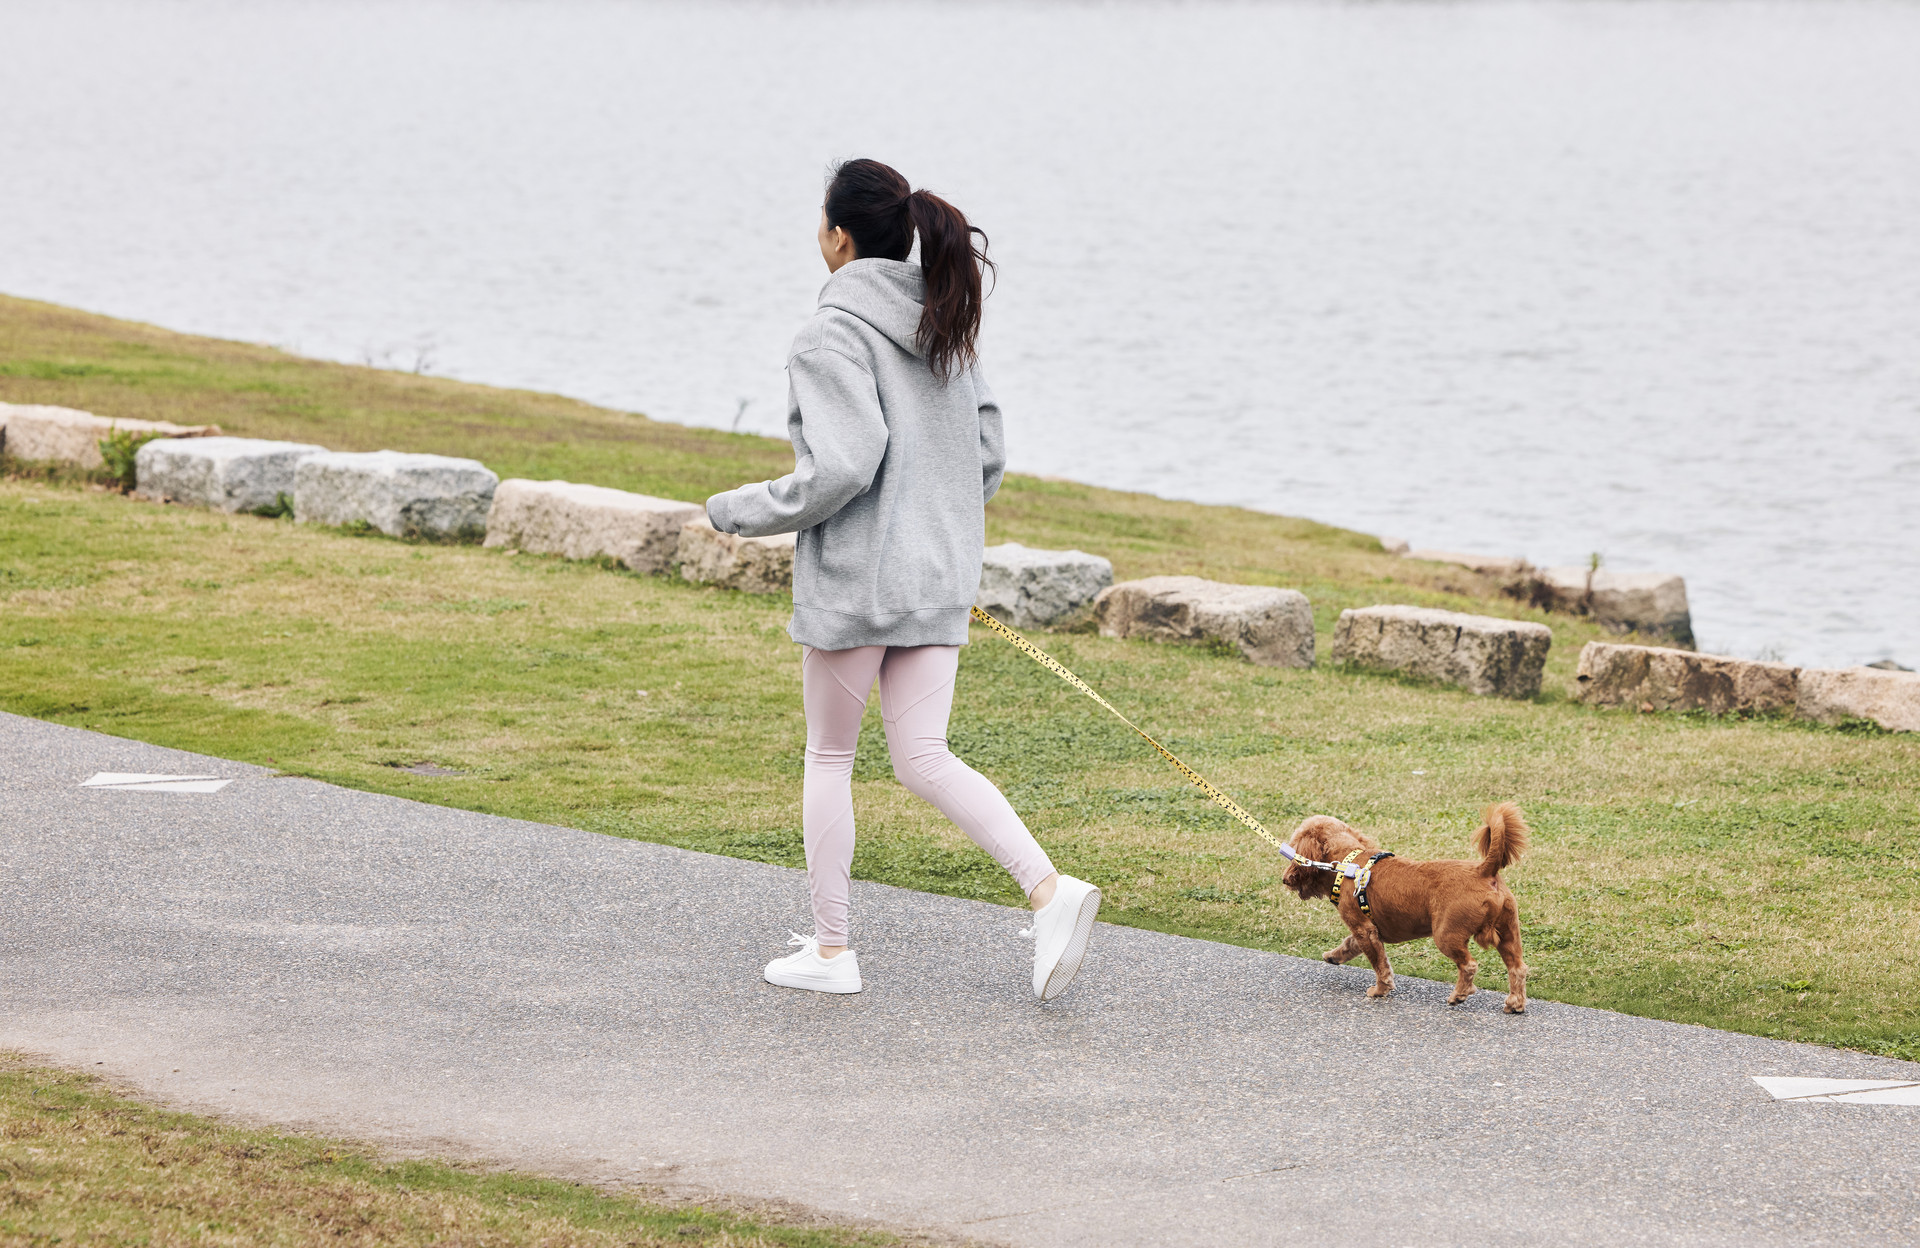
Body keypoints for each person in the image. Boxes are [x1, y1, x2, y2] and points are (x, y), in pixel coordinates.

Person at [704, 158, 1102, 1001]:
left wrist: (737, 509)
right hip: (936, 577)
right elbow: (987, 454)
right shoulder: (942, 319)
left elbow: (842, 466)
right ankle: (1047, 891)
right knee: (923, 757)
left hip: (858, 583)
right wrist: (936, 521)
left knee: (829, 756)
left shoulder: (831, 333)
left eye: (820, 222)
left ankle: (832, 952)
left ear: (839, 237)